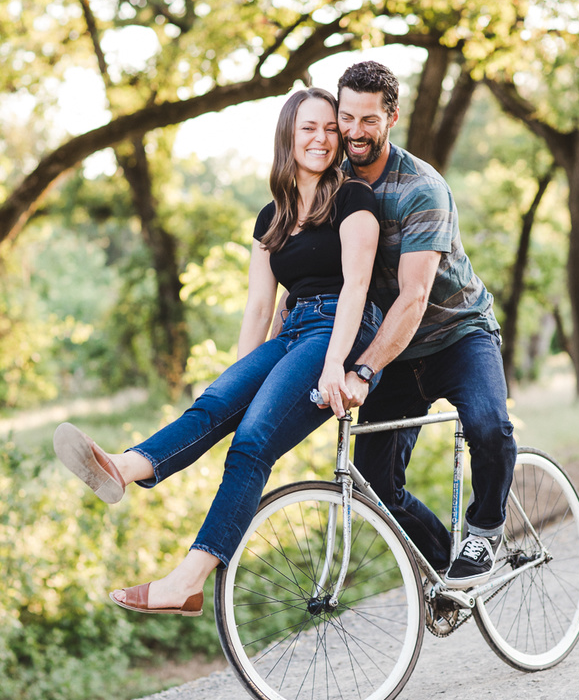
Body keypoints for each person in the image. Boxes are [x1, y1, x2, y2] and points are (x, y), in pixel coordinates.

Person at [54, 87, 382, 616]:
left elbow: (357, 285)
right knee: (212, 407)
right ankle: (120, 466)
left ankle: (187, 580)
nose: (321, 138)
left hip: (339, 331)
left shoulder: (353, 199)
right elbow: (258, 307)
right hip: (292, 331)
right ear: (288, 138)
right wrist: (239, 383)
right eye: (308, 129)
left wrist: (334, 365)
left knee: (252, 443)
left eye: (329, 128)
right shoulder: (271, 217)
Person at [336, 60, 517, 589]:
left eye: (368, 120)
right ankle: (445, 568)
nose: (355, 131)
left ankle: (485, 526)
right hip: (397, 350)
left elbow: (414, 297)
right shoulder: (335, 182)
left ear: (391, 117)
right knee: (372, 478)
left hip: (457, 334)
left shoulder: (422, 188)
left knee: (488, 425)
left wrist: (364, 370)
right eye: (347, 117)